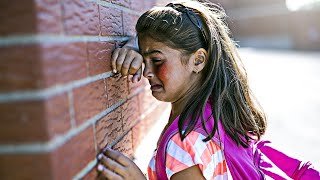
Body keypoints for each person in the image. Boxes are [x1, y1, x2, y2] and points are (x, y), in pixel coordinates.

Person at [95, 0, 319, 179]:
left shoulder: (184, 142)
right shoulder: (218, 110)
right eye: (145, 60)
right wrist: (137, 46)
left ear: (198, 60)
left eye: (156, 60)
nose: (147, 72)